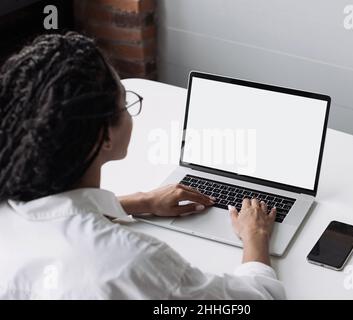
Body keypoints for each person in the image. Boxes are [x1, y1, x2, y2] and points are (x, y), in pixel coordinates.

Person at [0, 32, 285, 299]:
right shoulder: (133, 262)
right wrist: (255, 236)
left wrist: (140, 201)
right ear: (105, 135)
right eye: (125, 104)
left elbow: (55, 218)